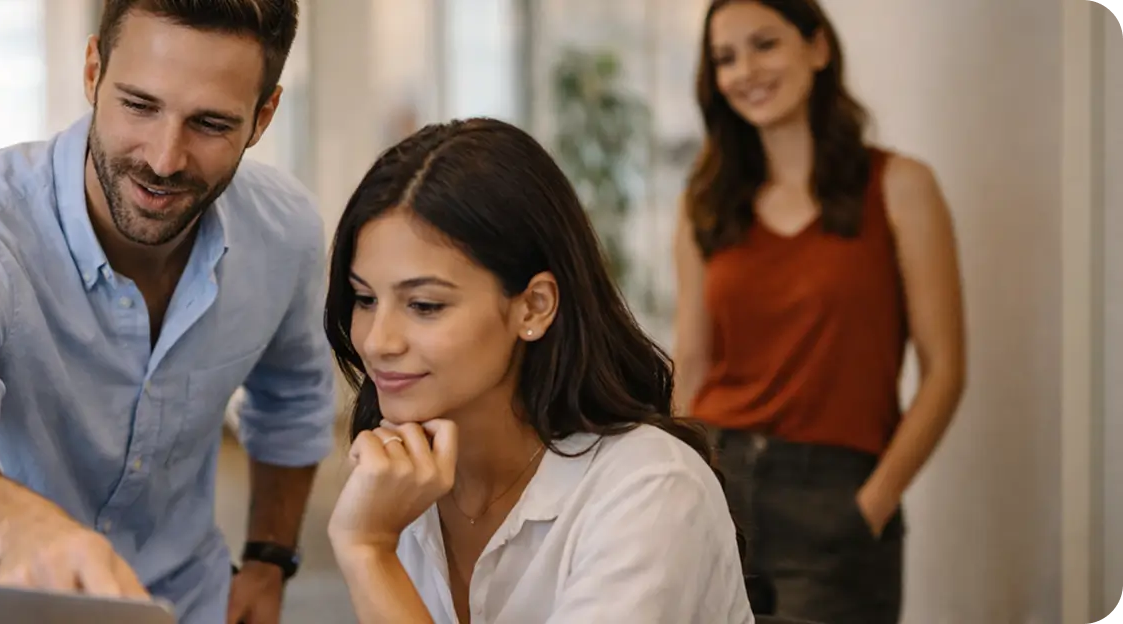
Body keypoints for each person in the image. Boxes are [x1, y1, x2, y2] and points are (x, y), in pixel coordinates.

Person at [0, 2, 334, 623]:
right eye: (139, 105)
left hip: (181, 603)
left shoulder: (284, 230)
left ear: (263, 116)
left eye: (210, 124)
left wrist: (270, 559)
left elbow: (293, 398)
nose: (164, 159)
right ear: (92, 71)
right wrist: (21, 528)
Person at [322, 117, 754, 624]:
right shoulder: (402, 484)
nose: (377, 341)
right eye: (364, 298)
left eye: (424, 305)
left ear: (534, 306)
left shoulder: (650, 488)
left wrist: (368, 551)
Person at [673, 1, 967, 622]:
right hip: (719, 488)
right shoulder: (705, 205)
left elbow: (944, 370)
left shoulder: (900, 186)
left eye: (765, 44)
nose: (745, 70)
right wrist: (677, 483)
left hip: (837, 499)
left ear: (818, 48)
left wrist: (874, 501)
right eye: (725, 58)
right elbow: (693, 365)